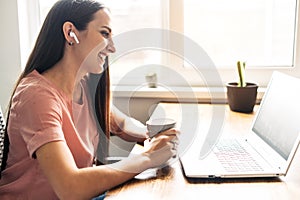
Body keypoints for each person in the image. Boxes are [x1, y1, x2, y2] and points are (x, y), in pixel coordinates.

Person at [0, 0, 179, 199]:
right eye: (104, 33)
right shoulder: (36, 97)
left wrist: (153, 136)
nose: (112, 48)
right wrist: (148, 157)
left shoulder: (84, 86)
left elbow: (121, 124)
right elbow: (70, 187)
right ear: (70, 33)